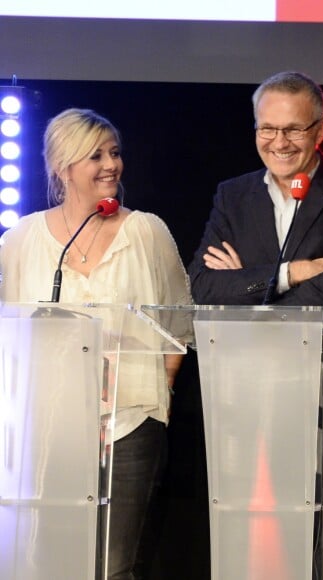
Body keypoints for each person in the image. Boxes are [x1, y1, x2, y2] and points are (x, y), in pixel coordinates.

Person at [188, 71, 323, 579]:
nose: (279, 142)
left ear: (320, 131)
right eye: (267, 129)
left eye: (293, 130)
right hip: (250, 396)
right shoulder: (232, 196)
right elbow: (205, 286)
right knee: (256, 542)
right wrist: (292, 272)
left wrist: (250, 287)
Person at [0, 108, 192, 579]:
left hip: (129, 421)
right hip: (47, 429)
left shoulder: (146, 231)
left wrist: (158, 390)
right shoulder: (23, 238)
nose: (112, 165)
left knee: (114, 564)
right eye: (96, 156)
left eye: (115, 152)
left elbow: (179, 320)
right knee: (46, 558)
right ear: (63, 168)